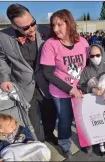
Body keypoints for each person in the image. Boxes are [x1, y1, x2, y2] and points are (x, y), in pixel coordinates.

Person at [0, 4, 57, 145]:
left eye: (33, 23)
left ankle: (49, 134)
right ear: (14, 26)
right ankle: (39, 142)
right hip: (23, 85)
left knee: (50, 113)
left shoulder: (47, 31)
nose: (32, 28)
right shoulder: (2, 37)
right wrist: (4, 78)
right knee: (32, 119)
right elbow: (1, 58)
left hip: (46, 82)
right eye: (25, 28)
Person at [40, 9, 89, 159]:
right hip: (61, 91)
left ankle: (86, 141)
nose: (55, 29)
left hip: (80, 89)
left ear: (69, 23)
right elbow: (48, 73)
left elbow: (87, 66)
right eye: (53, 25)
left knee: (82, 118)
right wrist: (70, 89)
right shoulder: (50, 44)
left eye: (59, 24)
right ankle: (65, 144)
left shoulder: (82, 42)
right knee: (65, 119)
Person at [78, 44, 105, 157]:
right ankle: (91, 142)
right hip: (92, 105)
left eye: (98, 55)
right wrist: (91, 88)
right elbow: (80, 85)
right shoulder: (86, 71)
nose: (95, 58)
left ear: (102, 54)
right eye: (92, 55)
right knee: (94, 123)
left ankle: (103, 141)